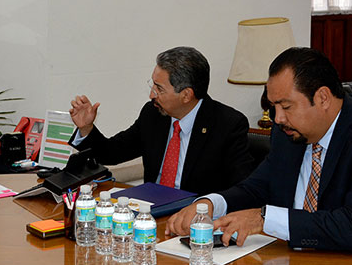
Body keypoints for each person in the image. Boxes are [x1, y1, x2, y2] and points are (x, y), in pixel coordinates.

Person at [166, 47, 352, 265]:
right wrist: (210, 204)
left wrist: (263, 219)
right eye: (273, 107)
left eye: (286, 106)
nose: (278, 118)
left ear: (323, 97)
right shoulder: (289, 133)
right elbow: (257, 187)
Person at [69, 46, 253, 195]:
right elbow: (112, 153)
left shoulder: (228, 125)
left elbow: (241, 188)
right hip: (150, 211)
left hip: (195, 217)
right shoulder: (153, 114)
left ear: (186, 95)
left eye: (159, 89)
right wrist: (87, 128)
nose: (152, 95)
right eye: (153, 85)